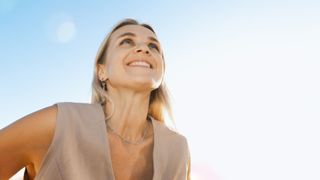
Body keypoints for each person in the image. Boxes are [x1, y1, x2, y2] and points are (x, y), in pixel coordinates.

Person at [0, 18, 190, 180]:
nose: (143, 48)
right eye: (126, 42)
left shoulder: (177, 149)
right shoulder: (58, 125)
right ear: (101, 71)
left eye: (153, 46)